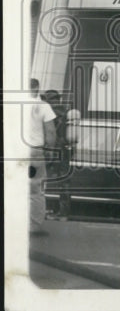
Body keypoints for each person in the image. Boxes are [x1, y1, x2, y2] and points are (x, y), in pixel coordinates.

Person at [27, 79, 57, 235]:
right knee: (35, 189)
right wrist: (50, 150)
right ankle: (34, 226)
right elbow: (50, 131)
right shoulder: (43, 106)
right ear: (37, 88)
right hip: (34, 152)